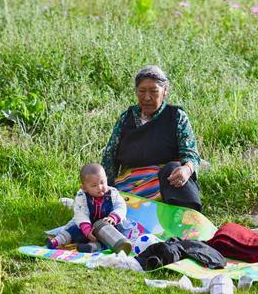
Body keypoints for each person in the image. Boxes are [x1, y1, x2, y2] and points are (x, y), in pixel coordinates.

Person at [100, 66, 203, 212]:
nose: (147, 97)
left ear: (165, 91)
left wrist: (186, 169)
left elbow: (190, 153)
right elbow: (110, 158)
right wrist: (104, 189)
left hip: (166, 184)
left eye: (154, 91)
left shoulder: (176, 116)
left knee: (173, 170)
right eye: (142, 91)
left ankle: (186, 221)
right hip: (131, 187)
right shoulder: (126, 119)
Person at [46, 163, 133, 251]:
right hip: (87, 226)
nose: (100, 187)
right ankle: (57, 241)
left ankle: (91, 247)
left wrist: (114, 217)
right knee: (72, 231)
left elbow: (121, 206)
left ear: (106, 179)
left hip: (107, 227)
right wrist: (87, 230)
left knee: (110, 238)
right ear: (84, 188)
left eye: (102, 182)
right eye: (94, 185)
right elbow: (81, 214)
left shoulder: (113, 194)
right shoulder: (82, 197)